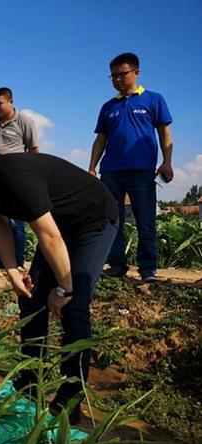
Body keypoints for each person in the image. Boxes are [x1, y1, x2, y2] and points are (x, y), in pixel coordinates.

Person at [0, 140, 118, 424]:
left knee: (75, 305)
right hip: (60, 227)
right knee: (31, 296)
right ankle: (32, 380)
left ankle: (71, 398)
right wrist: (12, 271)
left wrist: (64, 289)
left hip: (93, 220)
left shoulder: (15, 178)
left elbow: (49, 237)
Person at [89, 52, 173, 283]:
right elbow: (100, 139)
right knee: (112, 219)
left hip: (142, 172)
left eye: (122, 74)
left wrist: (167, 162)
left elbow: (165, 132)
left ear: (136, 72)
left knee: (145, 220)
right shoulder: (108, 107)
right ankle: (117, 265)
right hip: (111, 172)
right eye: (113, 75)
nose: (117, 79)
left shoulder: (153, 100)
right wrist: (91, 167)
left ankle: (148, 269)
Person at [0, 87, 40, 269]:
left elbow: (34, 151)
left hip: (15, 176)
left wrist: (31, 176)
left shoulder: (25, 121)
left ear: (11, 102)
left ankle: (16, 261)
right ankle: (0, 258)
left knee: (16, 221)